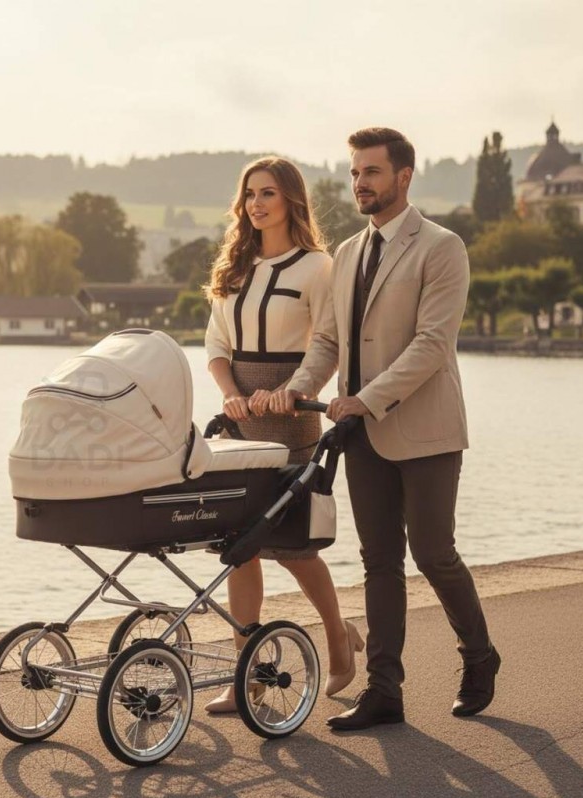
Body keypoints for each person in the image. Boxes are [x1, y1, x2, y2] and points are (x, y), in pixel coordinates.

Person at [270, 128, 500, 731]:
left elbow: (431, 345)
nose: (359, 183)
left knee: (433, 552)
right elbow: (327, 340)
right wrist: (300, 386)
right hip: (362, 434)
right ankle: (384, 690)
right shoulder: (347, 254)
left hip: (425, 430)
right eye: (354, 173)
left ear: (403, 176)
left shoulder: (442, 247)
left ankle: (479, 656)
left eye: (371, 172)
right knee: (379, 560)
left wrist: (363, 401)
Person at [203, 156, 364, 713]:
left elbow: (328, 341)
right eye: (250, 194)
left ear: (291, 199)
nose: (256, 204)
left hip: (292, 410)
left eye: (268, 193)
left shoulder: (318, 266)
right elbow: (216, 345)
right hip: (240, 415)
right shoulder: (233, 266)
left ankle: (338, 635)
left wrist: (294, 389)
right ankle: (244, 675)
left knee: (293, 546)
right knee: (238, 549)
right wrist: (231, 393)